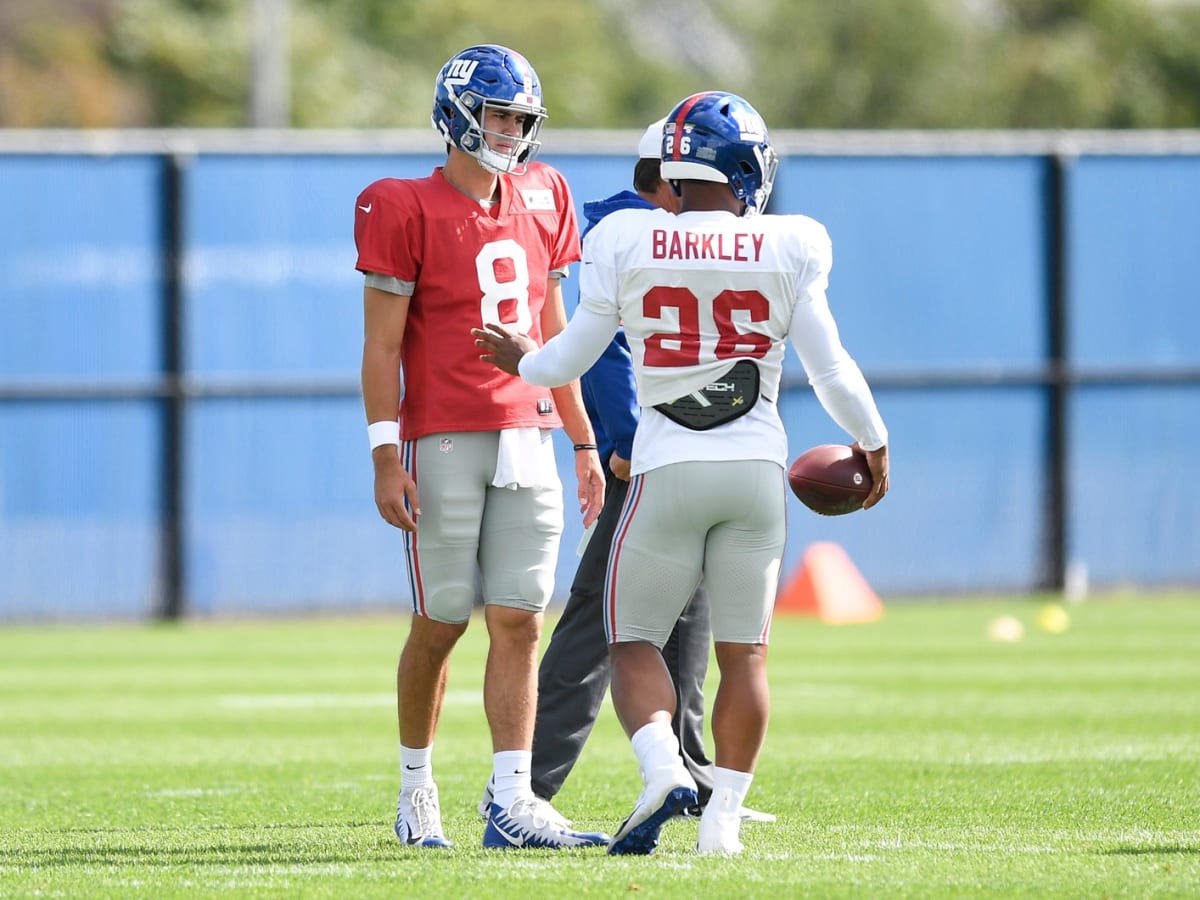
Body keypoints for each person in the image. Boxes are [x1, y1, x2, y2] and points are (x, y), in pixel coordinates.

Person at [473, 91, 890, 856]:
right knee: (747, 655)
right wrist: (874, 443)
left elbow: (570, 356)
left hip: (666, 469)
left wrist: (520, 359)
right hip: (755, 473)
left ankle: (663, 765)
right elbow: (832, 369)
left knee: (630, 640)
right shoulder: (790, 243)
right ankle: (721, 823)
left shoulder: (629, 237)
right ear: (746, 170)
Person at [354, 43, 609, 851]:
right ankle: (415, 786)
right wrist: (384, 452)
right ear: (459, 113)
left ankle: (510, 798)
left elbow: (555, 329)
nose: (510, 130)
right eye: (499, 113)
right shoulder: (401, 204)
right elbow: (380, 346)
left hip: (529, 430)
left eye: (520, 117)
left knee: (522, 621)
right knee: (441, 621)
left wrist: (582, 438)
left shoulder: (548, 193)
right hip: (445, 434)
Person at [479, 118, 720, 815]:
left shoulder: (653, 234)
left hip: (676, 452)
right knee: (596, 620)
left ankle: (693, 777)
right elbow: (606, 350)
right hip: (644, 457)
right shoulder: (630, 238)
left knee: (685, 618)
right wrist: (619, 436)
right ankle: (528, 783)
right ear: (669, 183)